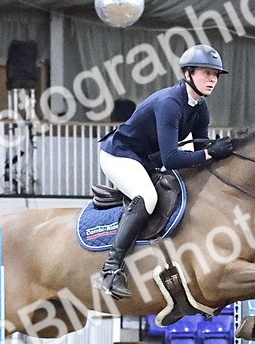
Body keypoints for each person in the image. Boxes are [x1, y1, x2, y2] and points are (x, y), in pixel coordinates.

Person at [95, 44, 234, 299]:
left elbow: (200, 151)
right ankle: (110, 270)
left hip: (146, 160)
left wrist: (215, 150)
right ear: (188, 73)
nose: (212, 80)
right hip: (120, 155)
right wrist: (210, 153)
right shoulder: (171, 103)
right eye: (206, 73)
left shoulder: (200, 108)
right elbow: (171, 159)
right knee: (148, 198)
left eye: (215, 75)